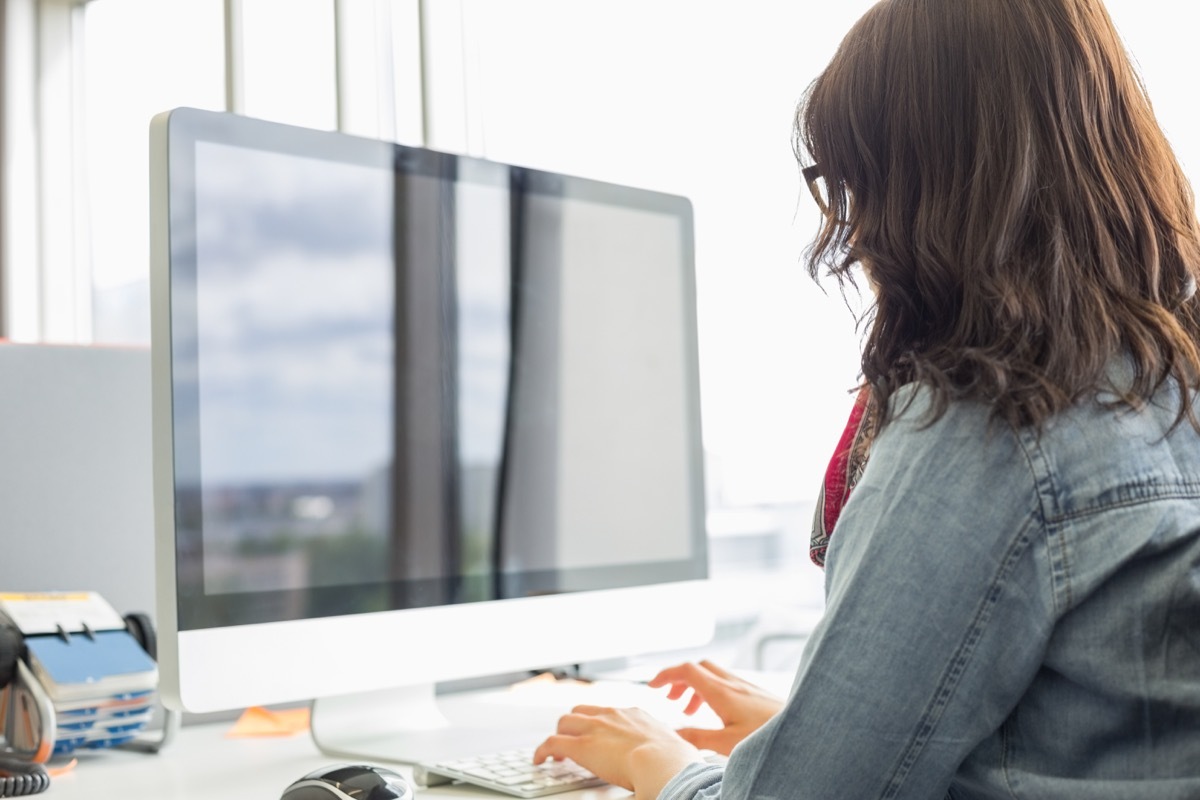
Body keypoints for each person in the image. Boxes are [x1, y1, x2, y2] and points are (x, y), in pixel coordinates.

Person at [532, 0, 1200, 797]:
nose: (849, 235)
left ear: (920, 187)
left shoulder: (996, 425)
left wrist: (661, 761)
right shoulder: (1166, 382)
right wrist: (813, 723)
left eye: (850, 184)